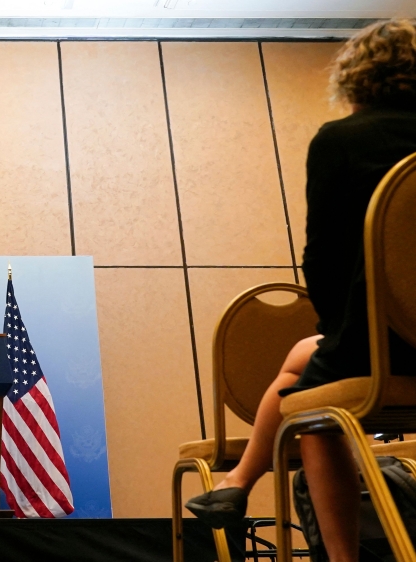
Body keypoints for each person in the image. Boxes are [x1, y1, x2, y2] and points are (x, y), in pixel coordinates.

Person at [186, 19, 416, 561]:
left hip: (388, 352)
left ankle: (336, 554)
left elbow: (325, 259)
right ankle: (237, 484)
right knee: (300, 359)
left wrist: (340, 330)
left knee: (308, 407)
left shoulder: (341, 141)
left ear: (355, 79)